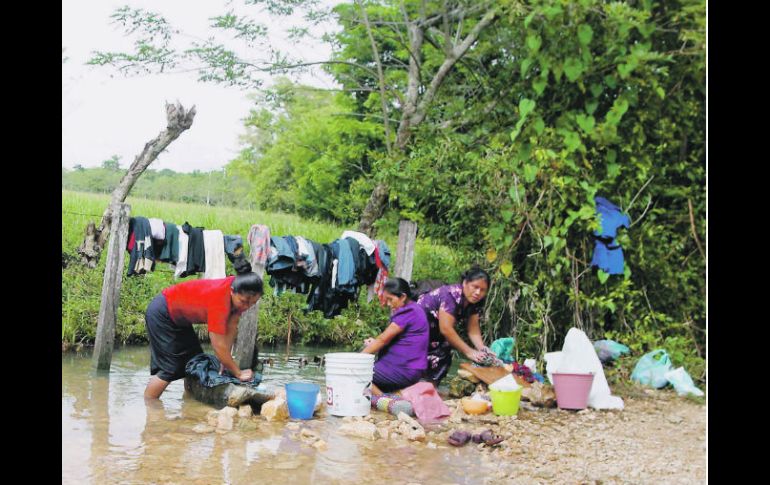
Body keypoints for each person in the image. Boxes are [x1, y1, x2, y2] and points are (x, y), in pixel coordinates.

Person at [143, 257, 263, 399]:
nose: (246, 306)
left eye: (252, 303)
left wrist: (226, 362)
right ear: (232, 291)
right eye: (243, 302)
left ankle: (188, 402)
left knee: (193, 361)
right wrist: (238, 373)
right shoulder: (219, 301)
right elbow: (218, 345)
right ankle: (151, 408)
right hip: (162, 313)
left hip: (179, 318)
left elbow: (231, 328)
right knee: (170, 368)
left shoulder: (239, 291)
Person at [416, 266, 491, 385]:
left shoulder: (475, 301)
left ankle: (431, 392)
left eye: (482, 290)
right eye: (475, 287)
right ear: (465, 283)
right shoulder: (451, 295)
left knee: (442, 358)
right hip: (416, 331)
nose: (478, 293)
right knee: (414, 371)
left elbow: (473, 329)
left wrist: (482, 348)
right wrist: (469, 352)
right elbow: (446, 329)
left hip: (436, 335)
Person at [362, 277, 429, 395]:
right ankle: (389, 394)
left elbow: (383, 339)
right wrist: (374, 343)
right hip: (409, 368)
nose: (388, 304)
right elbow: (396, 340)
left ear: (402, 297)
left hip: (405, 370)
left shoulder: (408, 312)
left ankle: (385, 400)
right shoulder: (414, 309)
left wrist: (357, 359)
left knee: (356, 371)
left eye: (390, 299)